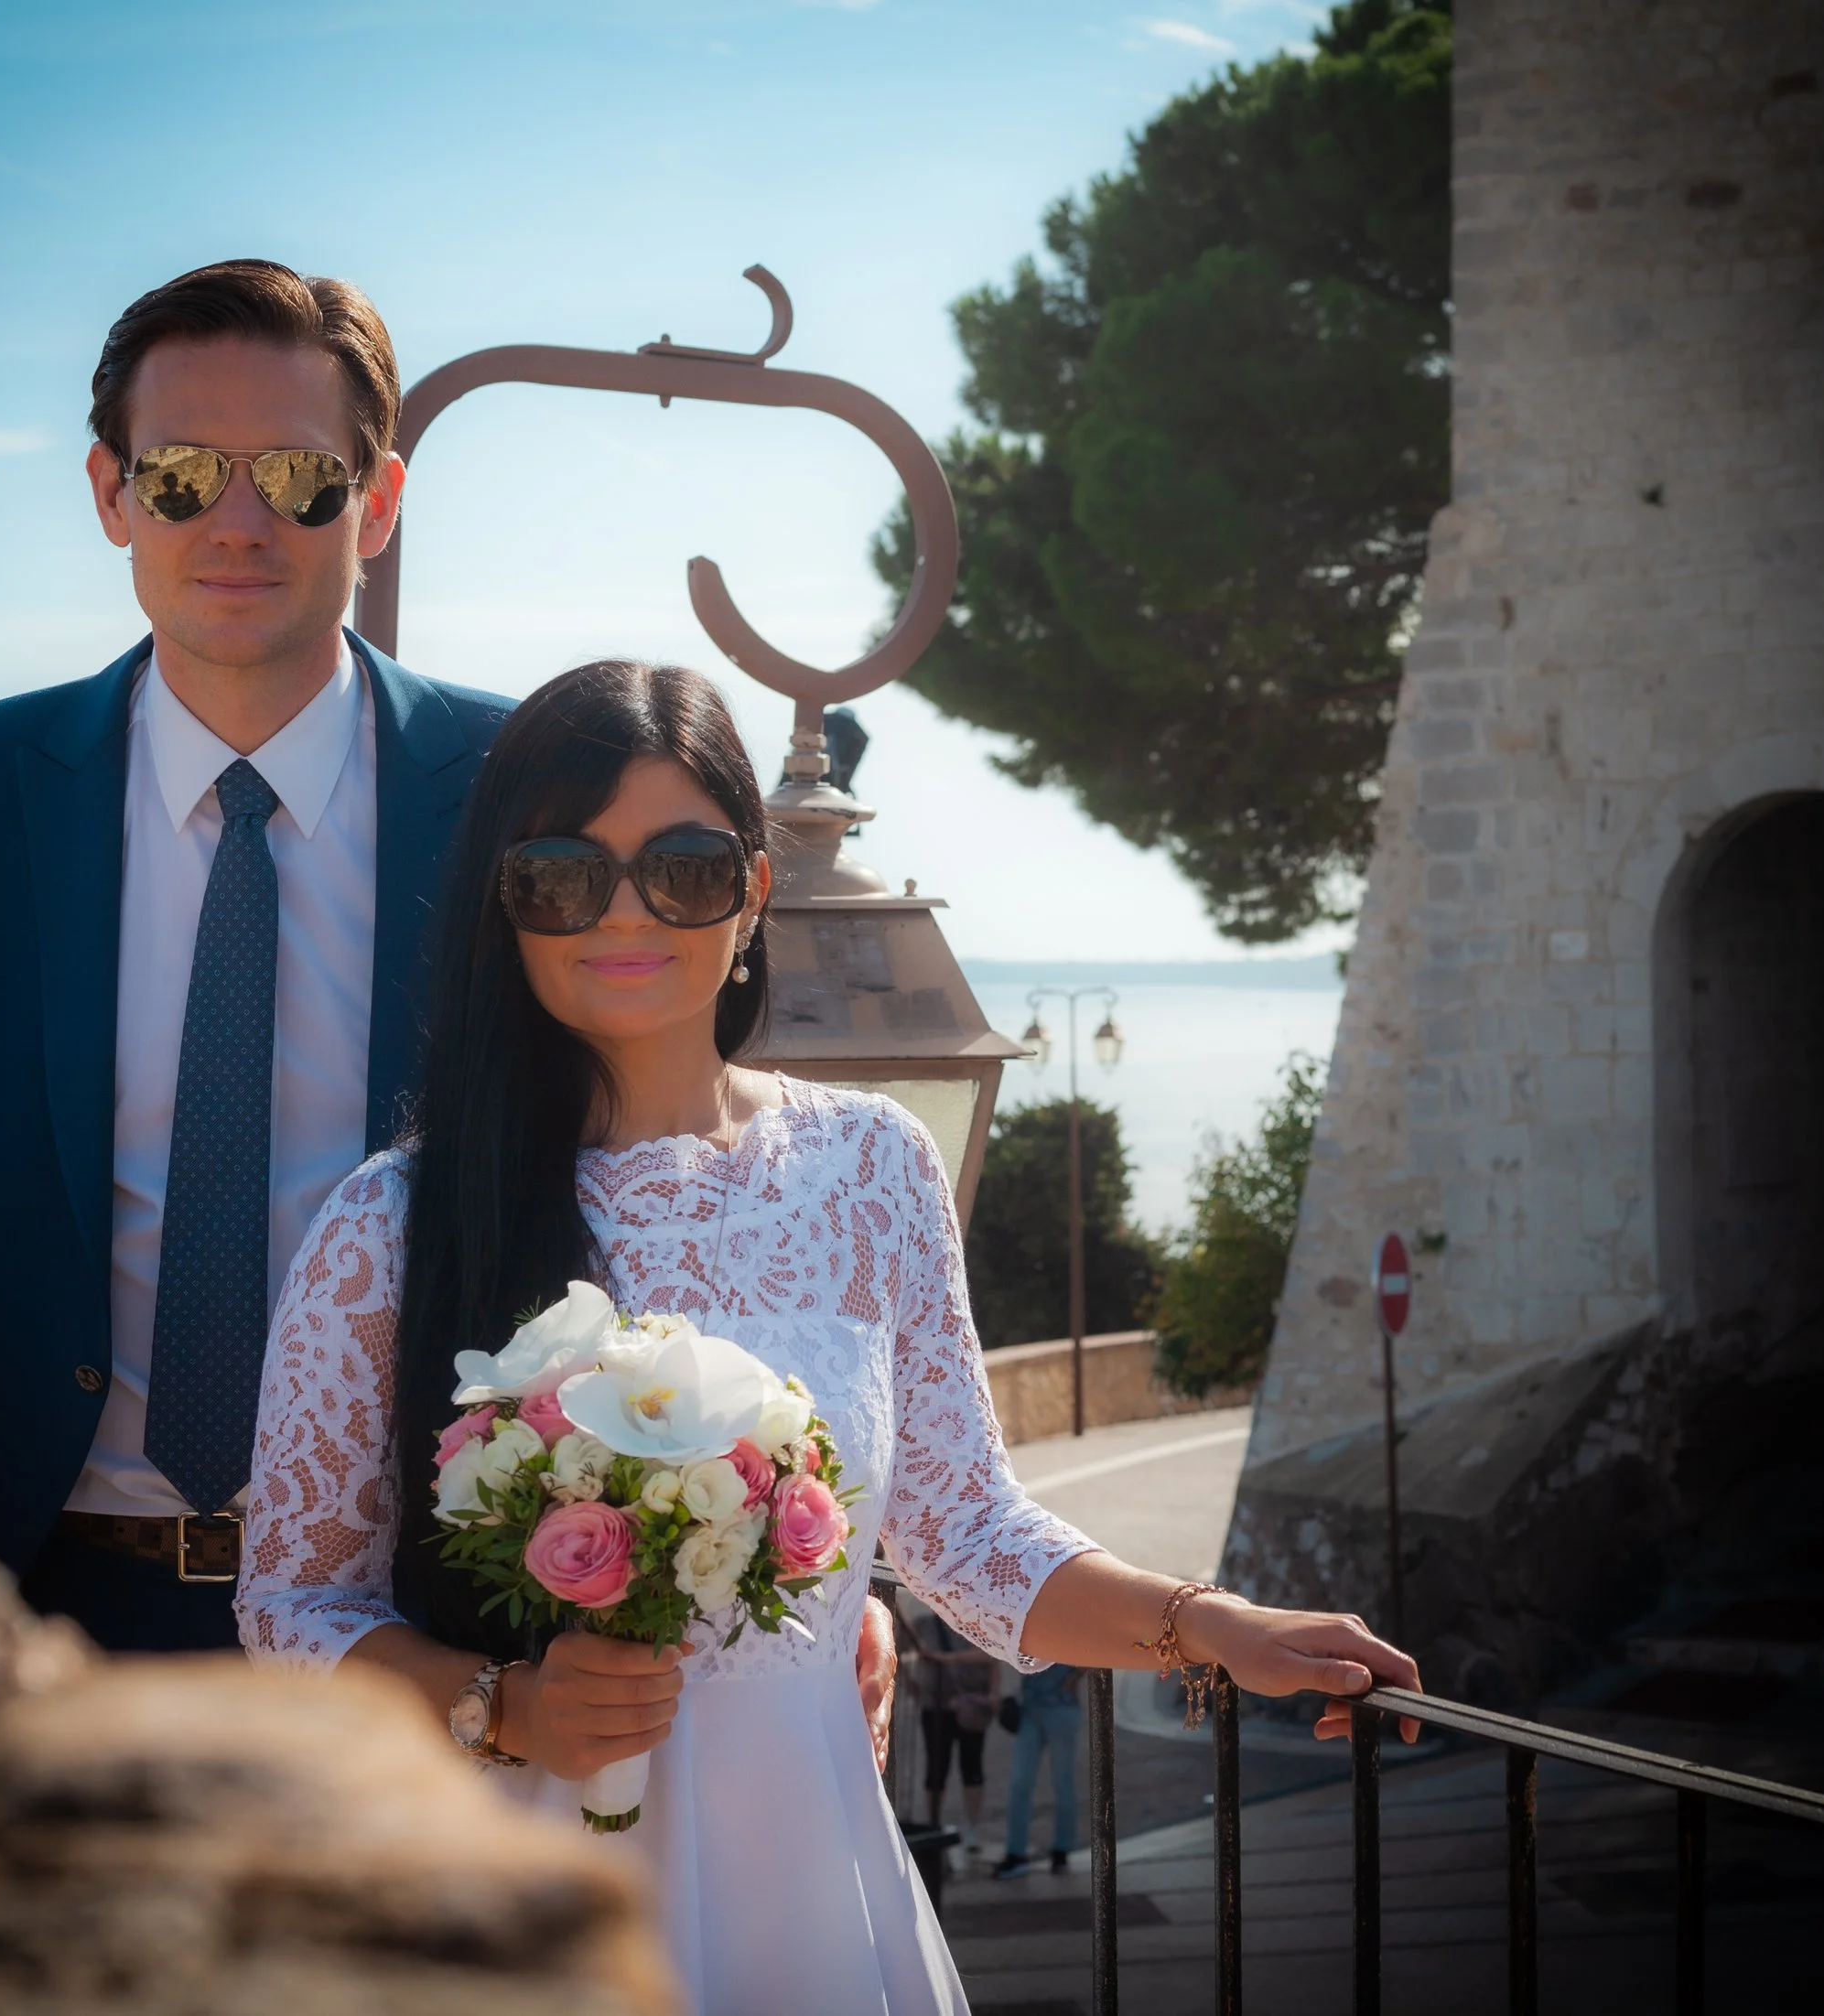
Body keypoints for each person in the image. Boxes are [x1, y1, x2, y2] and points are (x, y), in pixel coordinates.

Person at [236, 658, 1422, 2013]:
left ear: (752, 891)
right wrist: (499, 1705)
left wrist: (1214, 1625)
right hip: (511, 1914)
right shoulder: (389, 1222)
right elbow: (293, 1607)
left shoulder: (872, 1168)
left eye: (680, 867)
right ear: (506, 910)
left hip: (814, 1888)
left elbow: (968, 1531)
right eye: (564, 872)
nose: (623, 911)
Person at [0, 257, 896, 1719]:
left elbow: (663, 1165)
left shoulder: (518, 790)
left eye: (302, 478)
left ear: (376, 504)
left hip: (438, 1631)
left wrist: (830, 1584)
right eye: (184, 473)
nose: (240, 522)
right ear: (110, 492)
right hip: (35, 1614)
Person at [910, 1604, 999, 1865]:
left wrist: (992, 1693)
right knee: (936, 1769)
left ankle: (971, 1828)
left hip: (971, 1704)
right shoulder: (925, 1624)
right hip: (936, 1706)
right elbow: (904, 1649)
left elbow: (992, 1657)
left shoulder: (977, 1619)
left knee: (972, 1766)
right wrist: (910, 1682)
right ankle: (933, 1824)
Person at [992, 1663, 1081, 1880]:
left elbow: (1096, 1644)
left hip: (1061, 1706)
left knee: (1062, 1781)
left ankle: (1061, 1850)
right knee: (1020, 1781)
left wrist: (1076, 1675)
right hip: (1030, 1706)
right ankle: (1016, 1852)